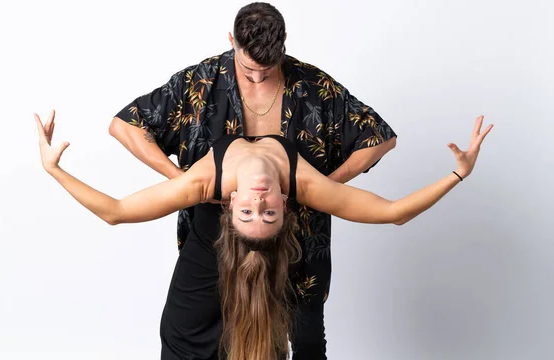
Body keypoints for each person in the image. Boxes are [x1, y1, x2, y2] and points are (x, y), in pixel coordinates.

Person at [34, 110, 492, 360]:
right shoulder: (301, 185)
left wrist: (55, 171)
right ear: (285, 206)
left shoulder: (207, 184)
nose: (258, 199)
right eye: (265, 211)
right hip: (202, 279)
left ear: (231, 205)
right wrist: (458, 174)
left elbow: (115, 211)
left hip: (241, 268)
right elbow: (392, 213)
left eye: (254, 210)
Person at [108, 2, 397, 359]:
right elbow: (126, 125)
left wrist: (325, 187)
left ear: (284, 42)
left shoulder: (313, 85)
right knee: (202, 335)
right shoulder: (202, 80)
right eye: (248, 69)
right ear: (232, 41)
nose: (258, 78)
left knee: (306, 341)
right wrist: (183, 183)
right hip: (216, 234)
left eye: (268, 69)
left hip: (298, 231)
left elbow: (379, 136)